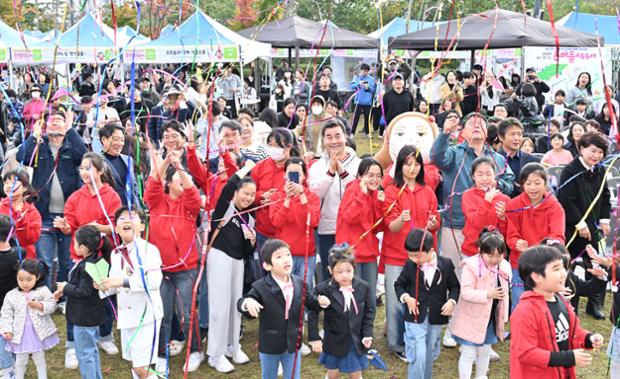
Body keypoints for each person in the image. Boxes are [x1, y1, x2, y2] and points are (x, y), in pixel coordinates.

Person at [431, 113, 514, 282]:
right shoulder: (454, 153)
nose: (477, 126)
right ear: (462, 130)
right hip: (456, 223)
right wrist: (445, 133)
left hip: (488, 229)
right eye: (471, 123)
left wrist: (495, 184)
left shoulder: (497, 157)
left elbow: (510, 182)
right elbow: (436, 157)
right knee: (454, 273)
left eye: (481, 123)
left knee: (483, 277)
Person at [144, 150, 203, 373]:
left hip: (186, 268)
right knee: (163, 314)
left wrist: (179, 166)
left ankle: (196, 350)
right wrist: (166, 162)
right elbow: (152, 184)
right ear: (167, 184)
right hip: (161, 270)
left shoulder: (189, 206)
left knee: (188, 313)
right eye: (177, 179)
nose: (184, 184)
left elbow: (193, 193)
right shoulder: (156, 203)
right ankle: (161, 353)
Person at [16, 111, 87, 289]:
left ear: (66, 126)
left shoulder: (72, 149)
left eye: (60, 121)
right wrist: (34, 135)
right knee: (44, 260)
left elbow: (84, 155)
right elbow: (21, 157)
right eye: (51, 121)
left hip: (68, 216)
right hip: (44, 213)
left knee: (67, 260)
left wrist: (71, 130)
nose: (55, 123)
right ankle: (46, 297)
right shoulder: (40, 147)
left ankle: (64, 297)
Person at [510, 245, 603, 378]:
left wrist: (588, 339)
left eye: (563, 267)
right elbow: (525, 352)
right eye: (556, 269)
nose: (564, 273)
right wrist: (568, 357)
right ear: (536, 276)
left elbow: (573, 333)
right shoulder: (526, 311)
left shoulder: (562, 301)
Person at [382, 145, 440, 359]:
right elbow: (390, 226)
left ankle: (415, 337)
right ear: (400, 166)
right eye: (408, 164)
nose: (413, 168)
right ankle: (397, 344)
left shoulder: (428, 191)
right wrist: (400, 219)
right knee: (397, 300)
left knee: (420, 298)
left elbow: (435, 221)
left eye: (416, 164)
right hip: (396, 255)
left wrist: (433, 223)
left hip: (423, 257)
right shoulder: (391, 191)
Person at [237, 239, 319, 379]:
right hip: (270, 346)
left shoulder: (299, 283)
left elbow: (311, 303)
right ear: (267, 266)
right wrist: (247, 302)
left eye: (288, 255)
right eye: (279, 257)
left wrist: (322, 302)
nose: (286, 259)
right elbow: (242, 303)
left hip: (294, 343)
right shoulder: (260, 286)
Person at [98, 206, 163, 379]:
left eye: (132, 217)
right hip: (126, 316)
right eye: (121, 219)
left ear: (142, 226)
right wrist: (104, 286)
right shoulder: (115, 253)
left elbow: (154, 282)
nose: (126, 221)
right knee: (134, 364)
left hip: (146, 316)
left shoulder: (150, 250)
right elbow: (114, 282)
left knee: (141, 367)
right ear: (116, 228)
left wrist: (122, 281)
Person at [206, 162, 257, 373]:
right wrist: (246, 168)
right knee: (219, 307)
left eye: (252, 195)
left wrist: (251, 242)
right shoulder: (225, 207)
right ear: (237, 192)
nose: (248, 198)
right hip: (219, 257)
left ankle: (232, 346)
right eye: (245, 193)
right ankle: (215, 354)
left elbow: (247, 254)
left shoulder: (250, 219)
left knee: (236, 305)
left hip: (238, 262)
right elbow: (228, 186)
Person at [556, 132, 611, 320]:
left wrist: (604, 221)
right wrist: (580, 224)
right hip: (572, 228)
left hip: (592, 228)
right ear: (581, 149)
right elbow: (565, 200)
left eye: (600, 152)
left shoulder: (601, 170)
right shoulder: (570, 170)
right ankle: (569, 304)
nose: (596, 155)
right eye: (592, 151)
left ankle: (594, 303)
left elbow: (605, 197)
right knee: (567, 265)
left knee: (596, 264)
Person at [394, 229, 460, 379]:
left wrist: (452, 301)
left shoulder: (446, 264)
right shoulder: (410, 265)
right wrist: (406, 298)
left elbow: (455, 286)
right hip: (415, 316)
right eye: (409, 255)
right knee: (418, 354)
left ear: (431, 251)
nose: (412, 259)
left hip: (437, 317)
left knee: (430, 352)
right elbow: (399, 285)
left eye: (416, 255)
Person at [308, 245, 375, 379]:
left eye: (348, 271)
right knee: (333, 374)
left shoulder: (363, 287)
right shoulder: (324, 289)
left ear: (354, 268)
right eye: (339, 271)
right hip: (334, 342)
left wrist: (367, 334)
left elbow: (369, 312)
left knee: (356, 374)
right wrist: (314, 337)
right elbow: (312, 310)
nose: (344, 275)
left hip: (354, 341)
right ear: (330, 270)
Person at [451, 229, 511, 378]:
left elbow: (506, 289)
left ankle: (481, 376)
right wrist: (487, 294)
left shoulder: (503, 266)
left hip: (490, 318)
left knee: (485, 351)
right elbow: (465, 292)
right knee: (468, 353)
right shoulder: (470, 267)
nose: (495, 259)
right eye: (490, 255)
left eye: (499, 255)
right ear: (480, 251)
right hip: (471, 318)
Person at [54, 225, 112, 379]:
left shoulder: (87, 265)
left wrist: (66, 288)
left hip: (83, 318)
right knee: (91, 351)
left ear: (83, 247)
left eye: (74, 243)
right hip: (92, 316)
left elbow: (84, 291)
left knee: (85, 354)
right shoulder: (98, 260)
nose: (73, 246)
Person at [505, 163, 566, 310]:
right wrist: (517, 243)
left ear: (545, 183)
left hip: (544, 264)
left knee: (543, 306)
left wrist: (540, 252)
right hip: (519, 263)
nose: (533, 188)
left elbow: (557, 237)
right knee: (519, 305)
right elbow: (511, 235)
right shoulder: (514, 205)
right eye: (528, 183)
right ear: (522, 185)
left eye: (537, 183)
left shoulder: (555, 207)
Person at [308, 119, 360, 281]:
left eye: (338, 136)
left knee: (352, 276)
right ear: (323, 140)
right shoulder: (317, 166)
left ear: (345, 137)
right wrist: (330, 172)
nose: (334, 141)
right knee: (329, 276)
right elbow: (315, 194)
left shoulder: (358, 164)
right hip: (327, 228)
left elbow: (359, 192)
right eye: (329, 137)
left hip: (354, 228)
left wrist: (343, 173)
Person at [335, 158, 385, 310]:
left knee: (369, 296)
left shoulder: (375, 194)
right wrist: (362, 196)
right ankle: (352, 331)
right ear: (360, 176)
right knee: (353, 296)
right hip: (351, 252)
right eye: (370, 175)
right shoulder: (354, 189)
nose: (375, 179)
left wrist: (382, 204)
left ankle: (366, 331)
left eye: (378, 176)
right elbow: (349, 217)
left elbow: (377, 227)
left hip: (368, 251)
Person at [0, 259, 57, 379]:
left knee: (39, 357)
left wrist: (40, 306)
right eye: (20, 280)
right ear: (16, 277)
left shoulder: (42, 291)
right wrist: (7, 329)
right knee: (20, 360)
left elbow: (52, 304)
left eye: (29, 279)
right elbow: (6, 313)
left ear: (38, 277)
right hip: (20, 334)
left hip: (37, 333)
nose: (24, 283)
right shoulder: (11, 295)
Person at [269, 157, 320, 290]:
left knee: (304, 291)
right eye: (290, 173)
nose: (293, 177)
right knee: (285, 290)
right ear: (285, 175)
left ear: (304, 176)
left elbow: (313, 221)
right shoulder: (277, 197)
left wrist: (302, 196)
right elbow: (276, 223)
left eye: (297, 173)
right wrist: (287, 199)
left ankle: (305, 312)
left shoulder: (312, 197)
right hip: (284, 252)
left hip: (306, 254)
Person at [461, 157, 510, 257]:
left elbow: (507, 232)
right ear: (473, 176)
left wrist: (503, 219)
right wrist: (487, 201)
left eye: (488, 174)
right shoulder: (468, 196)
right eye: (480, 174)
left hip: (496, 254)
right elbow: (477, 222)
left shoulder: (504, 199)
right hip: (472, 252)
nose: (484, 178)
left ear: (495, 175)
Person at [0, 170, 41, 260]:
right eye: (6, 182)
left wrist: (22, 221)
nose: (9, 186)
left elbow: (30, 239)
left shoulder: (32, 212)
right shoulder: (1, 206)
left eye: (14, 182)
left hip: (24, 259)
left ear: (25, 187)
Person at [497, 117, 540, 197]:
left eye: (519, 134)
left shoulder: (534, 161)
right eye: (512, 134)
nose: (516, 138)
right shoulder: (493, 160)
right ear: (501, 137)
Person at [98, 123, 139, 206]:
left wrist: (137, 207)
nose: (120, 143)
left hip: (130, 211)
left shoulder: (128, 159)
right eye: (116, 139)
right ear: (104, 139)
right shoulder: (97, 162)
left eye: (122, 140)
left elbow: (134, 187)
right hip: (110, 210)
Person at [0, 215, 18, 377]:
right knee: (12, 336)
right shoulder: (18, 255)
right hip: (14, 306)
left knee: (2, 340)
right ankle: (16, 366)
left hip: (3, 309)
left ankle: (7, 370)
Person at [350, 64, 376, 137]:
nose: (365, 72)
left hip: (368, 102)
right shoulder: (356, 77)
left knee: (367, 118)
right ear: (361, 70)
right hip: (358, 101)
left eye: (367, 71)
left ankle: (367, 133)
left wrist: (367, 88)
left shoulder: (371, 79)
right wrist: (358, 84)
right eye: (364, 70)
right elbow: (351, 86)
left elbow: (373, 90)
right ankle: (352, 133)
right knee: (356, 117)